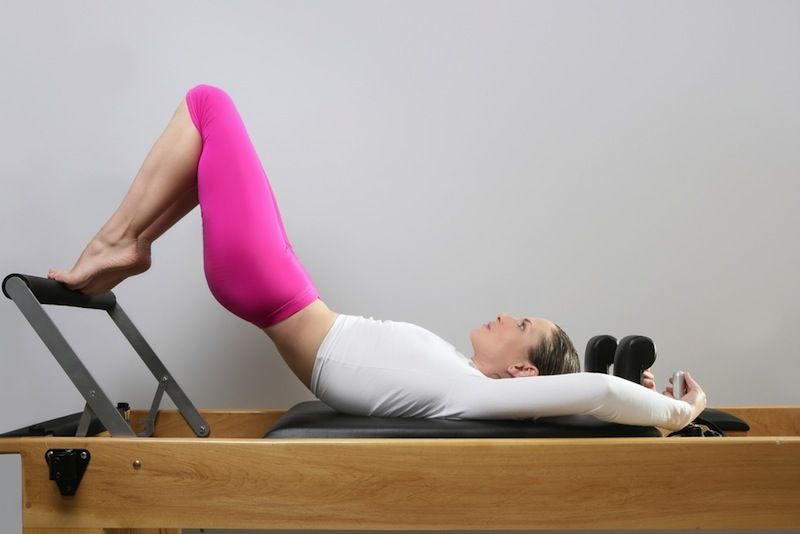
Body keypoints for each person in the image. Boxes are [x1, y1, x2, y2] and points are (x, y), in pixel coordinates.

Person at [47, 84, 706, 430]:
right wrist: (633, 404)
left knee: (208, 106)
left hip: (273, 288)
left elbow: (590, 392)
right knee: (206, 147)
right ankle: (130, 243)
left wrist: (678, 412)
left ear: (524, 371)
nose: (506, 315)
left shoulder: (469, 396)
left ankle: (121, 244)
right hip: (282, 286)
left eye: (522, 326)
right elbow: (589, 402)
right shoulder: (461, 381)